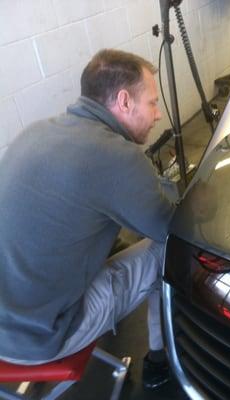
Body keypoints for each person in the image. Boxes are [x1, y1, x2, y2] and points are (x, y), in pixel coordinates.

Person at [0, 49, 175, 390]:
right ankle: (159, 360)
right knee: (164, 251)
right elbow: (171, 228)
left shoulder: (34, 131)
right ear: (124, 101)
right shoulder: (117, 156)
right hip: (40, 339)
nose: (157, 115)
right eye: (152, 103)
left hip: (7, 318)